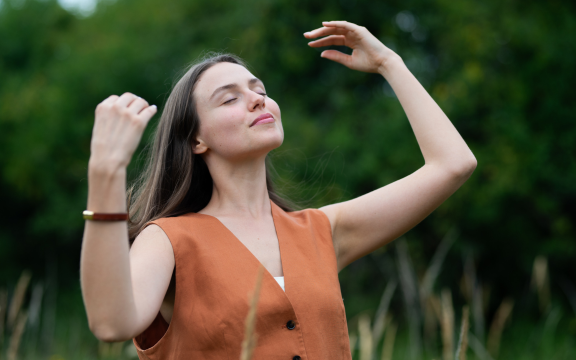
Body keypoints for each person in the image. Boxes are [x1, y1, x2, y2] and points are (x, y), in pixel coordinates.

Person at [80, 21, 476, 359]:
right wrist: (105, 173)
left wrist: (391, 63)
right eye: (231, 98)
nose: (257, 100)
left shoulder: (322, 230)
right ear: (197, 140)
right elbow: (111, 322)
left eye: (260, 89)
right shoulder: (168, 239)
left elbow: (453, 164)